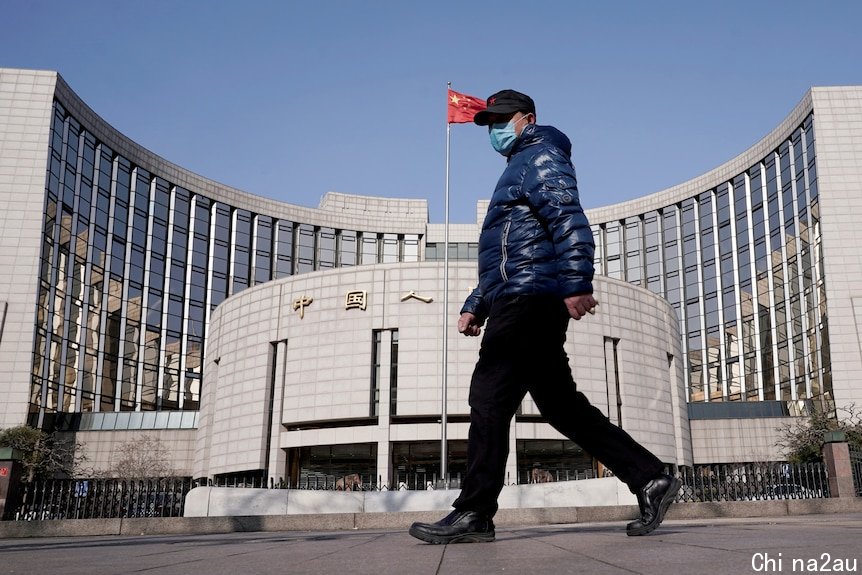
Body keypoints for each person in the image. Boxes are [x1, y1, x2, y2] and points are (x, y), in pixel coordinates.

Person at [409, 89, 681, 545]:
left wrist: (576, 282)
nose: (494, 129)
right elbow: (506, 252)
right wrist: (477, 302)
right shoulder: (520, 164)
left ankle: (475, 512)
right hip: (520, 294)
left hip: (530, 299)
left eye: (501, 119)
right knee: (561, 406)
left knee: (490, 398)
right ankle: (650, 477)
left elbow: (568, 219)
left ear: (526, 118)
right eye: (488, 122)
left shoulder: (540, 155)